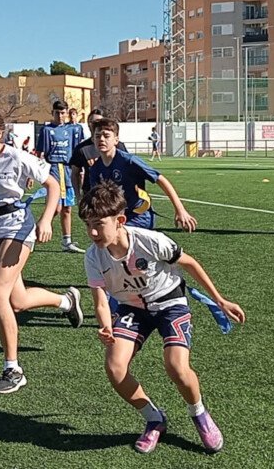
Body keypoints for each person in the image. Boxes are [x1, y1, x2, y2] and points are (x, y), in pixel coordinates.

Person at [78, 181, 246, 454]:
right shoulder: (93, 256)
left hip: (170, 303)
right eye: (88, 225)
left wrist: (220, 300)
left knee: (176, 366)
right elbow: (99, 300)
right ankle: (154, 418)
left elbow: (189, 263)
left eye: (99, 223)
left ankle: (199, 413)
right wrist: (106, 326)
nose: (93, 232)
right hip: (132, 310)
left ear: (120, 220)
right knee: (114, 367)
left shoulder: (150, 240)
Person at [0, 107, 83, 395]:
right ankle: (66, 302)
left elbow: (53, 185)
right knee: (19, 300)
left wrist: (46, 219)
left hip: (18, 228)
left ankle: (13, 368)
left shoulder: (17, 156)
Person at [88, 118, 197, 232]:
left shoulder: (129, 161)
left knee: (115, 235)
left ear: (116, 139)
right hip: (117, 217)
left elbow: (160, 179)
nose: (101, 139)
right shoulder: (95, 168)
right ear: (93, 140)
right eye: (97, 136)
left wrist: (180, 210)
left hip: (139, 216)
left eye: (106, 136)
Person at [35, 100, 85, 253]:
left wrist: (80, 169)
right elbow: (39, 153)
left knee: (67, 208)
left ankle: (67, 241)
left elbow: (78, 149)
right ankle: (30, 235)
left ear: (67, 113)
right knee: (55, 208)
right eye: (57, 113)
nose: (60, 116)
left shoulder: (74, 129)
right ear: (53, 113)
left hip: (69, 171)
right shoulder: (46, 130)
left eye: (63, 113)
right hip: (54, 169)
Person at [69, 109, 128, 198]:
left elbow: (128, 168)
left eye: (98, 121)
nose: (94, 124)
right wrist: (78, 196)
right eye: (91, 122)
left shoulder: (118, 145)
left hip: (114, 197)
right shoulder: (82, 148)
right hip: (91, 196)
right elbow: (75, 173)